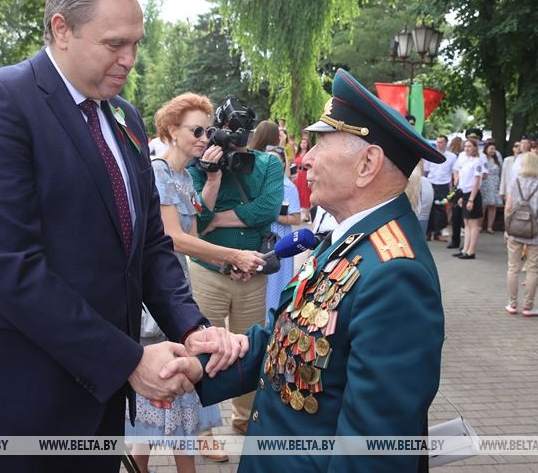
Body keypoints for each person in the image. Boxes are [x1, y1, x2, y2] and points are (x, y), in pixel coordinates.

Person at [0, 0, 242, 472]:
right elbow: (8, 265)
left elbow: (151, 245)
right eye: (115, 43)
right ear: (61, 29)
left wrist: (190, 326)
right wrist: (129, 360)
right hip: (19, 398)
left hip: (98, 399)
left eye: (136, 43)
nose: (130, 60)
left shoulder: (124, 116)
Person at [162, 69, 446, 471]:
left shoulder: (396, 273)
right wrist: (201, 367)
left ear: (368, 164)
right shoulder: (347, 240)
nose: (305, 158)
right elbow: (292, 343)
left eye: (319, 145)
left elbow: (372, 453)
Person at [130, 94, 265, 470]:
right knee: (163, 392)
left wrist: (225, 266)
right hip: (158, 299)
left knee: (170, 395)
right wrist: (232, 255)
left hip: (177, 293)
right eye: (197, 130)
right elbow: (172, 238)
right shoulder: (156, 171)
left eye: (209, 130)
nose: (206, 137)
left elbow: (195, 236)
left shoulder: (183, 176)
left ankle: (143, 464)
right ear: (172, 131)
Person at [188, 101, 284, 435]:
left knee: (248, 347)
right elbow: (195, 221)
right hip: (207, 271)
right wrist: (212, 178)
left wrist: (215, 220)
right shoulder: (197, 165)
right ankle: (204, 429)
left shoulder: (268, 163)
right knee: (206, 350)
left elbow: (268, 209)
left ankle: (244, 418)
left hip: (251, 274)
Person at [503, 152, 538, 317]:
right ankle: (528, 306)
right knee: (532, 269)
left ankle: (512, 304)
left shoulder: (514, 183)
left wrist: (506, 228)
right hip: (536, 231)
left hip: (515, 230)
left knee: (513, 268)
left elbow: (508, 208)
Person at [264, 145, 301, 320]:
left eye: (276, 162)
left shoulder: (288, 187)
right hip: (262, 237)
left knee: (278, 280)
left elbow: (296, 218)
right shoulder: (258, 184)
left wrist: (275, 216)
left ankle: (275, 319)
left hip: (280, 239)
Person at [454, 139, 486, 259]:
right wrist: (462, 196)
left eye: (469, 146)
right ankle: (465, 249)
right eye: (465, 146)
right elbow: (463, 181)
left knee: (473, 224)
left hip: (473, 194)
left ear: (475, 148)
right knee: (466, 223)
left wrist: (471, 199)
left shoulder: (477, 162)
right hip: (465, 193)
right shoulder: (465, 161)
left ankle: (471, 250)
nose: (466, 148)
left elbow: (476, 181)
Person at [424, 134, 456, 241]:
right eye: (438, 142)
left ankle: (438, 232)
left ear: (446, 143)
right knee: (429, 207)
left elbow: (453, 172)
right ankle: (428, 232)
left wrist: (453, 186)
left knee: (441, 208)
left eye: (441, 142)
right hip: (431, 182)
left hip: (443, 184)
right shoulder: (431, 154)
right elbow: (426, 170)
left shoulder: (451, 156)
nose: (439, 144)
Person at [446, 135, 464, 249]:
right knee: (456, 214)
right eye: (465, 145)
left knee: (466, 218)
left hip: (468, 189)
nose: (465, 147)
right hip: (458, 188)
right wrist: (456, 183)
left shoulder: (478, 159)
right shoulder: (461, 157)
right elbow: (455, 171)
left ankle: (467, 245)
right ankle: (455, 240)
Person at [481, 142, 502, 234]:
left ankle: (490, 226)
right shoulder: (482, 158)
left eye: (494, 149)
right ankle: (479, 225)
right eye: (491, 149)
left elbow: (501, 171)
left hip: (494, 183)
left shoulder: (497, 159)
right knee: (483, 205)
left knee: (492, 205)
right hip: (484, 183)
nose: (493, 151)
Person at [293, 137, 312, 222]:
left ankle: (307, 214)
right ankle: (300, 213)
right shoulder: (297, 153)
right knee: (298, 193)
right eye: (302, 143)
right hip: (297, 175)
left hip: (305, 174)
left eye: (305, 143)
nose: (303, 144)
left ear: (307, 144)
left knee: (306, 193)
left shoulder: (309, 153)